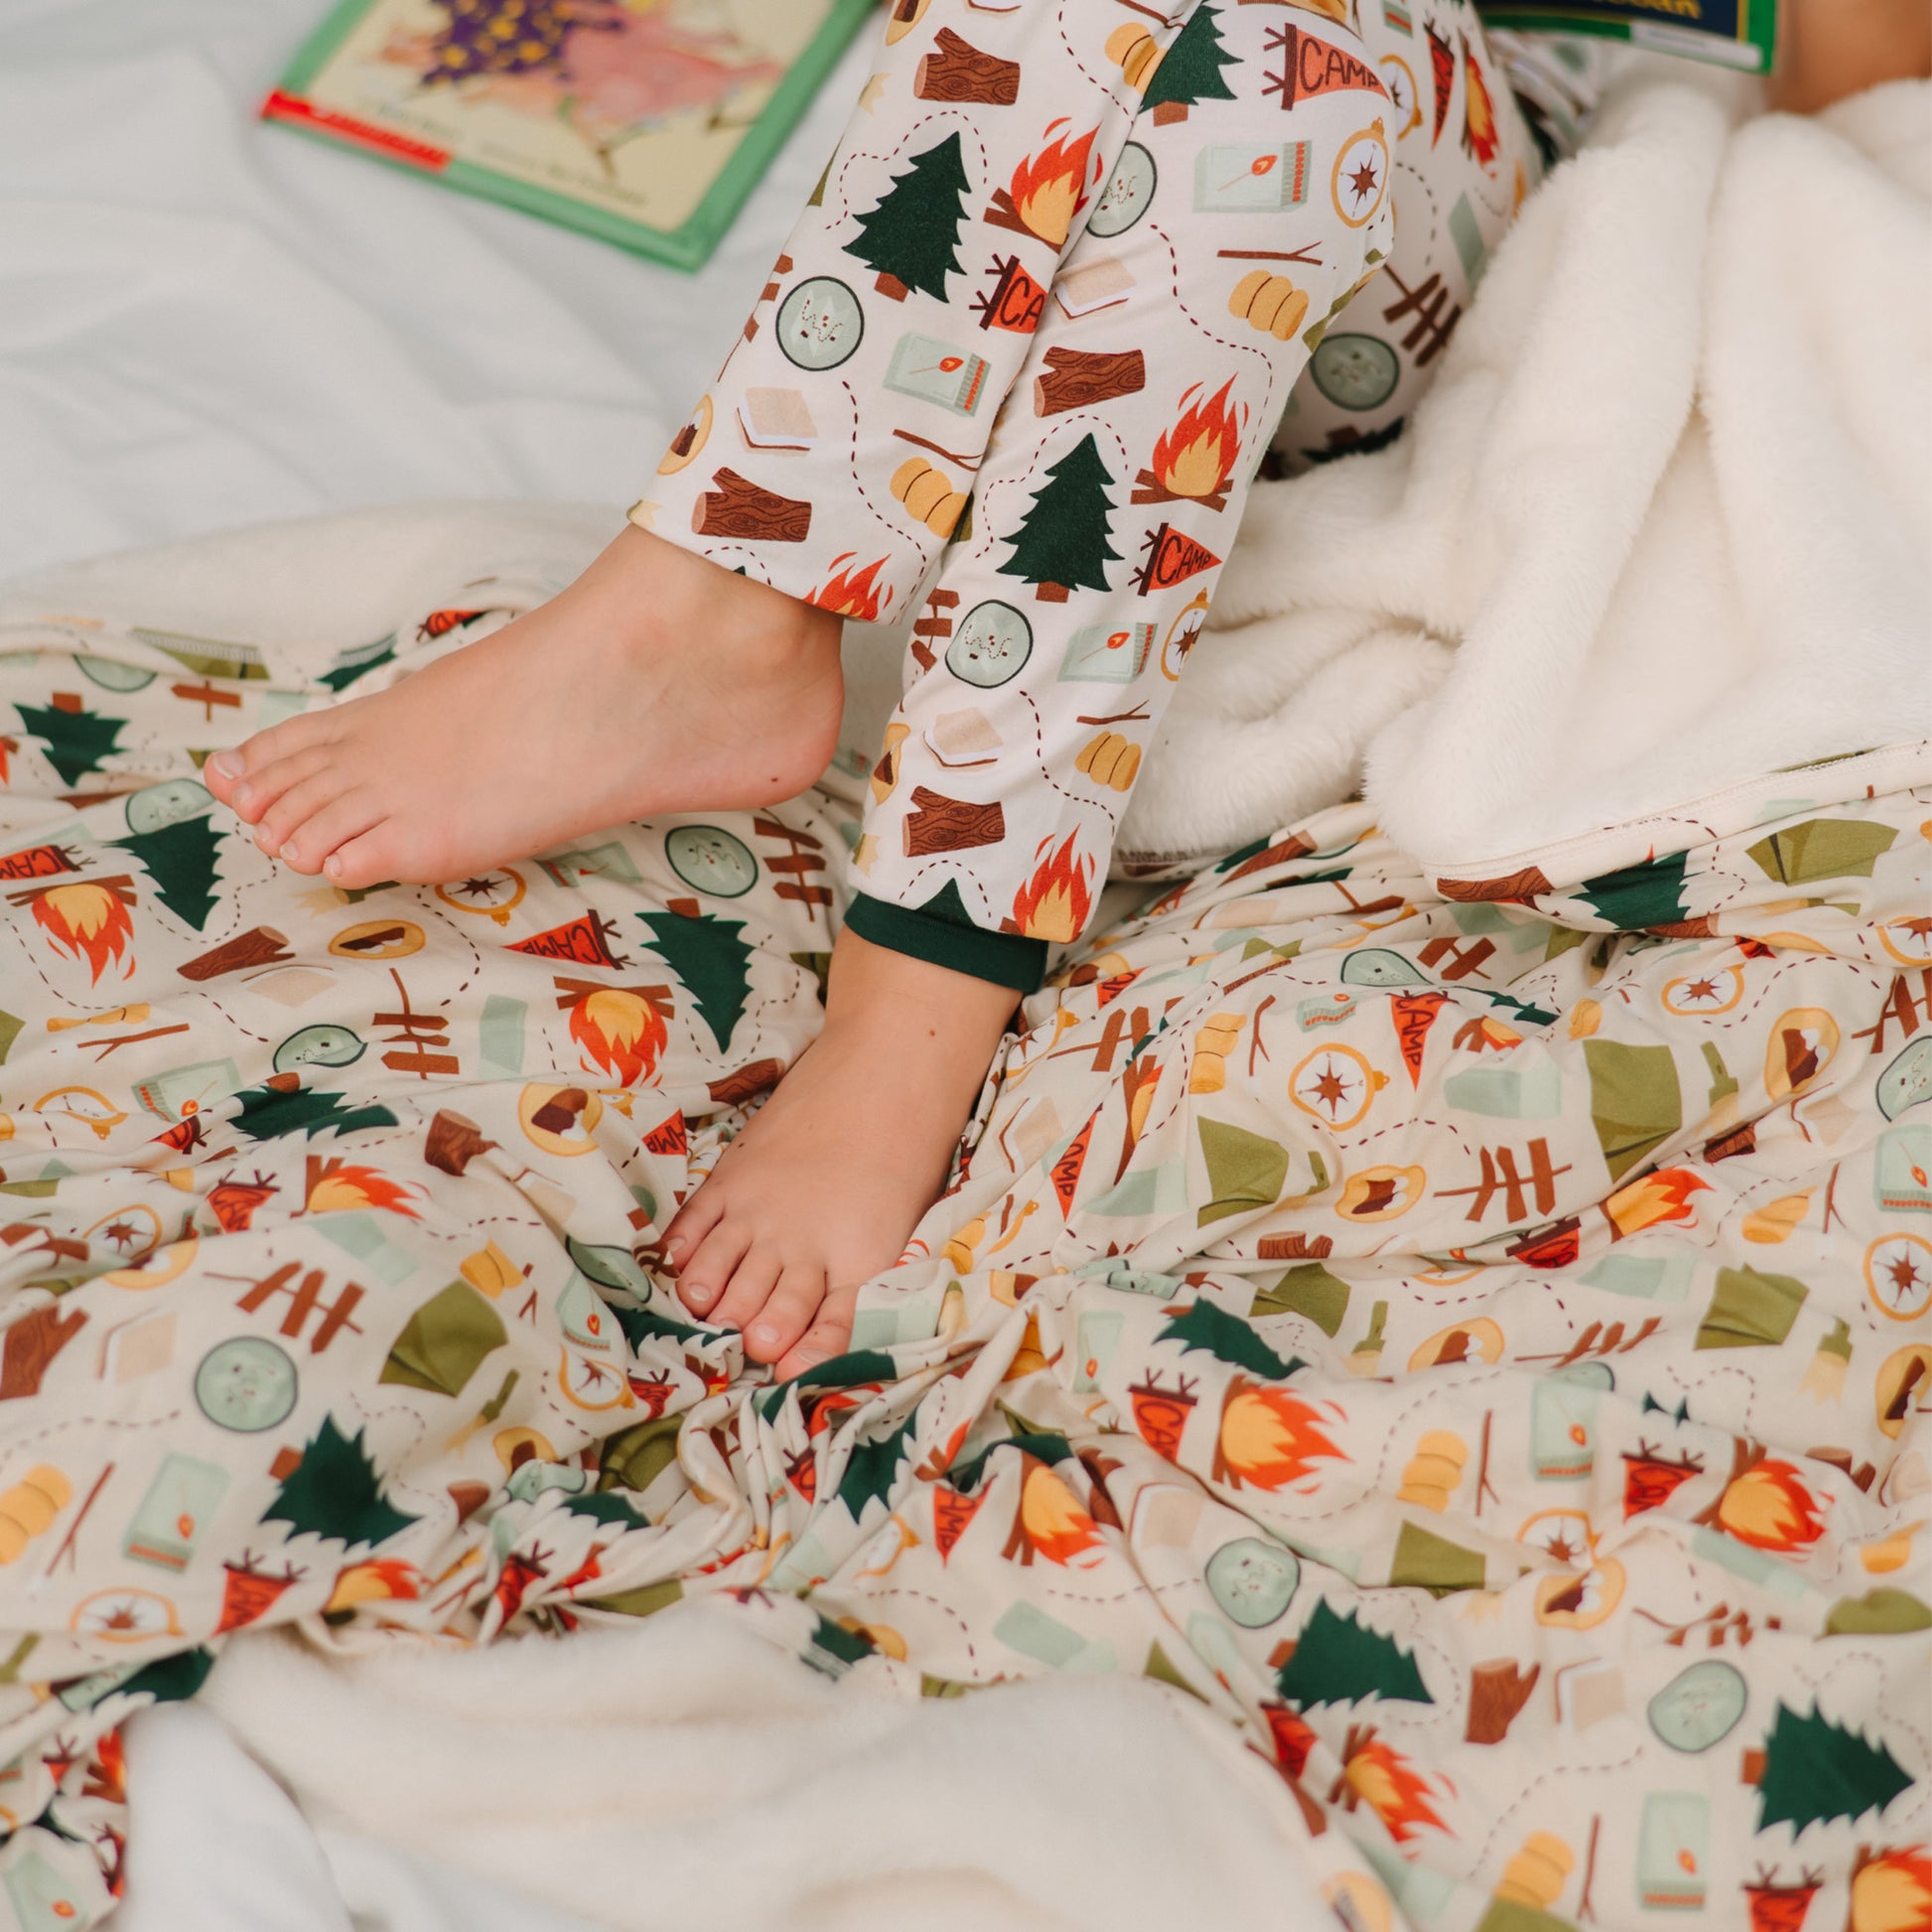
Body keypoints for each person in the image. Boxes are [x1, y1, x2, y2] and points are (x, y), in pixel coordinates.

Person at [197, 0, 1913, 1383]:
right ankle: (764, 700)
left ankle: (741, 661)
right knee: (1253, 65)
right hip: (1213, 122)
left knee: (1300, 54)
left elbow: (1849, 115)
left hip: (1509, 205)